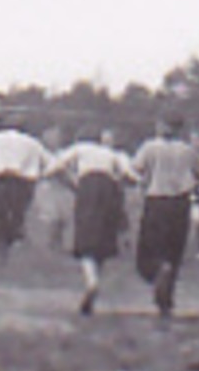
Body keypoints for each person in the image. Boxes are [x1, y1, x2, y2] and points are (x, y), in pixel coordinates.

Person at [0, 111, 52, 311]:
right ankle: (0, 255)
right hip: (20, 188)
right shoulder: (32, 143)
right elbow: (52, 166)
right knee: (8, 231)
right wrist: (36, 176)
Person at [47, 124, 135, 316]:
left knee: (85, 239)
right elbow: (130, 176)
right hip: (110, 190)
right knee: (103, 238)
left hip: (88, 188)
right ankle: (95, 279)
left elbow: (53, 168)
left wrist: (72, 181)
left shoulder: (79, 149)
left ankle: (91, 281)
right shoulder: (112, 154)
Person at [132, 113, 199, 317]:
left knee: (149, 247)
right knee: (174, 249)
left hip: (156, 200)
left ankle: (158, 270)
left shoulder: (149, 146)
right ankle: (166, 300)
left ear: (161, 126)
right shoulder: (188, 150)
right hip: (180, 202)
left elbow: (136, 168)